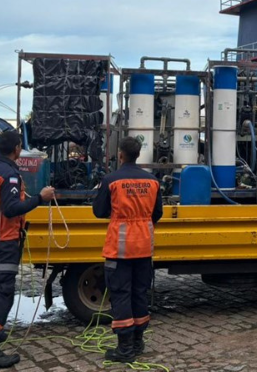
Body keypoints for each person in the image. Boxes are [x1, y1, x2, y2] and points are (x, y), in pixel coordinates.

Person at [0, 130, 55, 371]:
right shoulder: (10, 175)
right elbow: (10, 209)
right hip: (3, 241)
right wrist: (41, 198)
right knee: (2, 290)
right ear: (17, 148)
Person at [93, 137, 163, 363]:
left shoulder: (111, 180)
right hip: (144, 246)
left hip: (119, 248)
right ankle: (138, 341)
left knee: (121, 294)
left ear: (120, 155)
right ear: (138, 155)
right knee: (139, 293)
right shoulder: (152, 181)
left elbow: (98, 211)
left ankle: (124, 348)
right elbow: (158, 213)